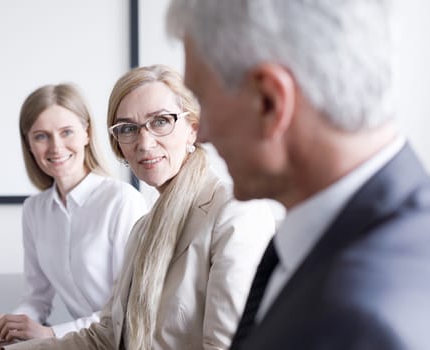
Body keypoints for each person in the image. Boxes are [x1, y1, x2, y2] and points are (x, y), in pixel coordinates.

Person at [0, 65, 275, 350]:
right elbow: (105, 336)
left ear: (193, 129)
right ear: (118, 144)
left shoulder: (235, 212)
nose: (144, 142)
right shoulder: (145, 229)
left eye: (161, 121)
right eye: (128, 129)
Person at [166, 0, 430, 349]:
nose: (202, 134)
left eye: (201, 98)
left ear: (269, 102)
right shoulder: (394, 232)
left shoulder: (357, 321)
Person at [0, 83, 147, 343]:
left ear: (86, 133)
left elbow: (129, 310)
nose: (55, 147)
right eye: (41, 136)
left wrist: (51, 334)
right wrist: (10, 324)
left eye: (66, 132)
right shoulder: (34, 210)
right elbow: (36, 298)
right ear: (28, 144)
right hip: (81, 344)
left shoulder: (121, 200)